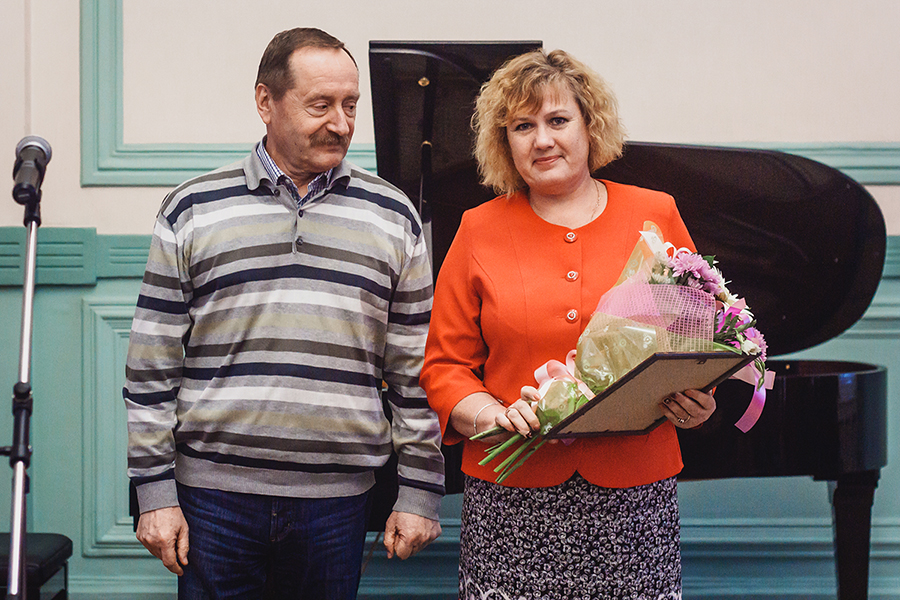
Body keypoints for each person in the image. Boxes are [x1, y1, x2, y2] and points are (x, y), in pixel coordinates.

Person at [124, 27, 443, 600]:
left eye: (351, 106)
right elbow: (152, 367)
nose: (341, 123)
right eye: (320, 105)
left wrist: (420, 491)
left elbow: (415, 370)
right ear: (265, 101)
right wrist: (154, 493)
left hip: (338, 505)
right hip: (213, 501)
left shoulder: (394, 216)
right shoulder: (192, 208)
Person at [420, 49, 716, 599]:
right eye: (522, 127)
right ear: (505, 142)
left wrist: (698, 401)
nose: (542, 140)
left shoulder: (655, 213)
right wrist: (490, 414)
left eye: (558, 120)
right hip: (511, 497)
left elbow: (693, 340)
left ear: (589, 126)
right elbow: (444, 366)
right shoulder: (478, 228)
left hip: (634, 498)